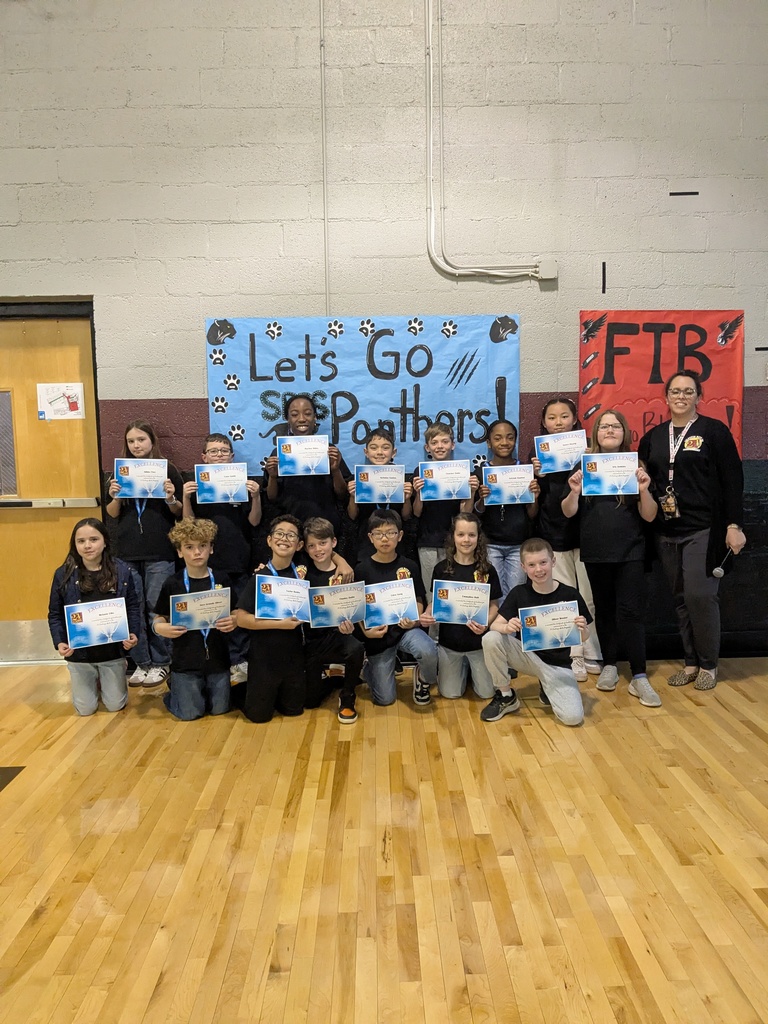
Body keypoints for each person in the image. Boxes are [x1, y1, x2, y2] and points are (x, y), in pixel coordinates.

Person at [638, 371, 746, 690]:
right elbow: (645, 479)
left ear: (699, 396)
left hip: (704, 528)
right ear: (666, 397)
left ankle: (709, 664)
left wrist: (734, 525)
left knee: (701, 595)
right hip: (666, 529)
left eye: (688, 391)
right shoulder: (654, 437)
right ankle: (690, 662)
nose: (681, 396)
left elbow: (733, 481)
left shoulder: (714, 431)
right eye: (675, 391)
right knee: (680, 598)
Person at [562, 409, 661, 707]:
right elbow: (568, 511)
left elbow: (650, 514)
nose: (609, 430)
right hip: (596, 550)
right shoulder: (584, 465)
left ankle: (639, 675)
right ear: (596, 433)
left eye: (615, 426)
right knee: (603, 610)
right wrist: (574, 491)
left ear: (624, 432)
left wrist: (643, 490)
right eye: (604, 426)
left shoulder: (636, 465)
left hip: (631, 549)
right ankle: (609, 664)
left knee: (630, 612)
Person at [105, 419, 183, 687]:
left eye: (141, 440)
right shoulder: (120, 472)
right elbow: (112, 515)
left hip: (160, 551)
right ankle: (141, 663)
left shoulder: (167, 469)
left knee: (156, 607)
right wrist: (114, 495)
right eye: (131, 441)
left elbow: (180, 512)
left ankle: (161, 662)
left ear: (152, 442)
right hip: (127, 552)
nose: (136, 445)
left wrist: (171, 497)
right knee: (132, 608)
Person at [481, 537, 591, 726]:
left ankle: (546, 686)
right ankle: (506, 695)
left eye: (543, 562)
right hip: (527, 657)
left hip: (558, 665)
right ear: (523, 567)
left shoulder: (570, 594)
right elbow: (494, 626)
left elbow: (583, 637)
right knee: (491, 638)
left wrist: (582, 629)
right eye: (531, 565)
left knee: (573, 718)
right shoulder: (518, 593)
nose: (538, 570)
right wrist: (507, 627)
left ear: (553, 561)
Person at [181, 432, 262, 684]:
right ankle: (218, 663)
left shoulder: (244, 483)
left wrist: (256, 496)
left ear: (232, 456)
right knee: (212, 615)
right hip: (206, 563)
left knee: (238, 612)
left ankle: (242, 662)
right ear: (204, 457)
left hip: (238, 559)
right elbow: (187, 526)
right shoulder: (195, 485)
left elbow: (255, 521)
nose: (219, 455)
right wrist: (184, 497)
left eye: (224, 451)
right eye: (213, 451)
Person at [531, 397, 602, 680]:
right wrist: (534, 474)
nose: (558, 422)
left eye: (564, 417)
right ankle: (572, 657)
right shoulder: (537, 456)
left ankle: (592, 651)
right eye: (552, 418)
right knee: (563, 600)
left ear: (574, 420)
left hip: (586, 533)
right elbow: (534, 497)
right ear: (544, 423)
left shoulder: (590, 450)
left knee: (589, 598)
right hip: (553, 533)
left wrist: (591, 459)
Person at [47, 518, 140, 716]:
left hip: (111, 653)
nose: (87, 545)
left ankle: (114, 673)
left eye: (93, 539)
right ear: (75, 544)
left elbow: (132, 606)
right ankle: (93, 680)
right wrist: (60, 642)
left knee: (115, 705)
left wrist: (132, 633)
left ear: (105, 541)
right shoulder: (63, 574)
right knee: (85, 709)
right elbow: (55, 614)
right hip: (80, 656)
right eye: (81, 541)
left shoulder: (121, 571)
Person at [153, 518, 236, 720]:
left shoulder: (222, 579)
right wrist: (161, 629)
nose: (197, 552)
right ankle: (175, 692)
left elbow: (235, 612)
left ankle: (197, 694)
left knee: (220, 710)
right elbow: (159, 618)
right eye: (189, 547)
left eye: (202, 546)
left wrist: (234, 621)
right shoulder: (172, 583)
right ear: (180, 552)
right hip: (186, 661)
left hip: (218, 660)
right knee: (190, 714)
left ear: (211, 549)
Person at [354, 509, 438, 707]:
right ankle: (369, 669)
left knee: (428, 650)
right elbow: (357, 607)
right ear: (370, 538)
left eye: (390, 533)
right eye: (378, 534)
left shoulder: (409, 566)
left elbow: (419, 599)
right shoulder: (362, 569)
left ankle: (422, 680)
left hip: (405, 630)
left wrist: (414, 619)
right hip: (378, 637)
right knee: (385, 699)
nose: (385, 539)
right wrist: (366, 631)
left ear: (399, 536)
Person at [419, 513, 501, 701]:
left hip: (478, 645)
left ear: (478, 538)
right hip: (450, 646)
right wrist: (427, 613)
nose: (466, 540)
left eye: (471, 535)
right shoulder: (441, 569)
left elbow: (495, 604)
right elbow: (436, 603)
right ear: (453, 537)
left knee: (487, 693)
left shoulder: (487, 569)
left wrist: (486, 624)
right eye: (461, 534)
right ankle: (462, 669)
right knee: (450, 693)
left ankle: (473, 670)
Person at [233, 515, 307, 722]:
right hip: (264, 656)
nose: (284, 539)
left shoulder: (302, 575)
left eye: (291, 535)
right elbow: (240, 618)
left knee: (294, 710)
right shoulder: (260, 576)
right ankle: (242, 690)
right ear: (269, 540)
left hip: (293, 657)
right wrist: (280, 624)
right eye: (279, 534)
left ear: (299, 544)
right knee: (258, 717)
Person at [302, 517, 366, 723]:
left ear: (334, 543)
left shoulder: (345, 573)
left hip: (339, 636)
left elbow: (354, 608)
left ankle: (347, 697)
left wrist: (350, 626)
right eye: (312, 545)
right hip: (311, 642)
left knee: (355, 647)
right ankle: (332, 679)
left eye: (323, 543)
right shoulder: (302, 572)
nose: (318, 549)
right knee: (310, 702)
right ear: (305, 547)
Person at [263, 394, 352, 532]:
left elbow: (342, 495)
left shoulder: (329, 450)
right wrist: (273, 477)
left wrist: (335, 470)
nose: (302, 419)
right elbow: (272, 498)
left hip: (325, 525)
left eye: (308, 414)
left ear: (315, 417)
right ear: (288, 419)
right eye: (294, 414)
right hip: (290, 527)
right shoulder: (279, 453)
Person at [412, 422, 478, 606]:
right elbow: (416, 512)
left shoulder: (463, 472)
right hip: (428, 541)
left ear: (452, 444)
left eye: (445, 441)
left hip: (455, 542)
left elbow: (466, 513)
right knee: (431, 594)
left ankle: (453, 634)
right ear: (428, 447)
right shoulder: (421, 472)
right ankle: (433, 635)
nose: (440, 446)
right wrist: (419, 493)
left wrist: (472, 492)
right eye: (435, 442)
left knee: (455, 592)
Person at [472, 419, 539, 600]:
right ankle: (497, 629)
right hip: (490, 543)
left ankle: (510, 629)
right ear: (488, 442)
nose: (504, 443)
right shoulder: (480, 473)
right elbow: (475, 514)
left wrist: (535, 497)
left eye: (510, 438)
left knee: (515, 595)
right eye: (498, 438)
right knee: (494, 594)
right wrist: (482, 500)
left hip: (518, 544)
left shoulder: (524, 470)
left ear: (515, 441)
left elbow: (532, 513)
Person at [346, 426, 413, 563]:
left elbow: (406, 516)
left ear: (393, 452)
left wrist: (407, 499)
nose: (380, 452)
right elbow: (352, 515)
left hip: (395, 541)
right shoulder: (360, 478)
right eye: (374, 447)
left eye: (385, 447)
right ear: (366, 452)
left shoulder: (401, 478)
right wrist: (353, 497)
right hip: (366, 541)